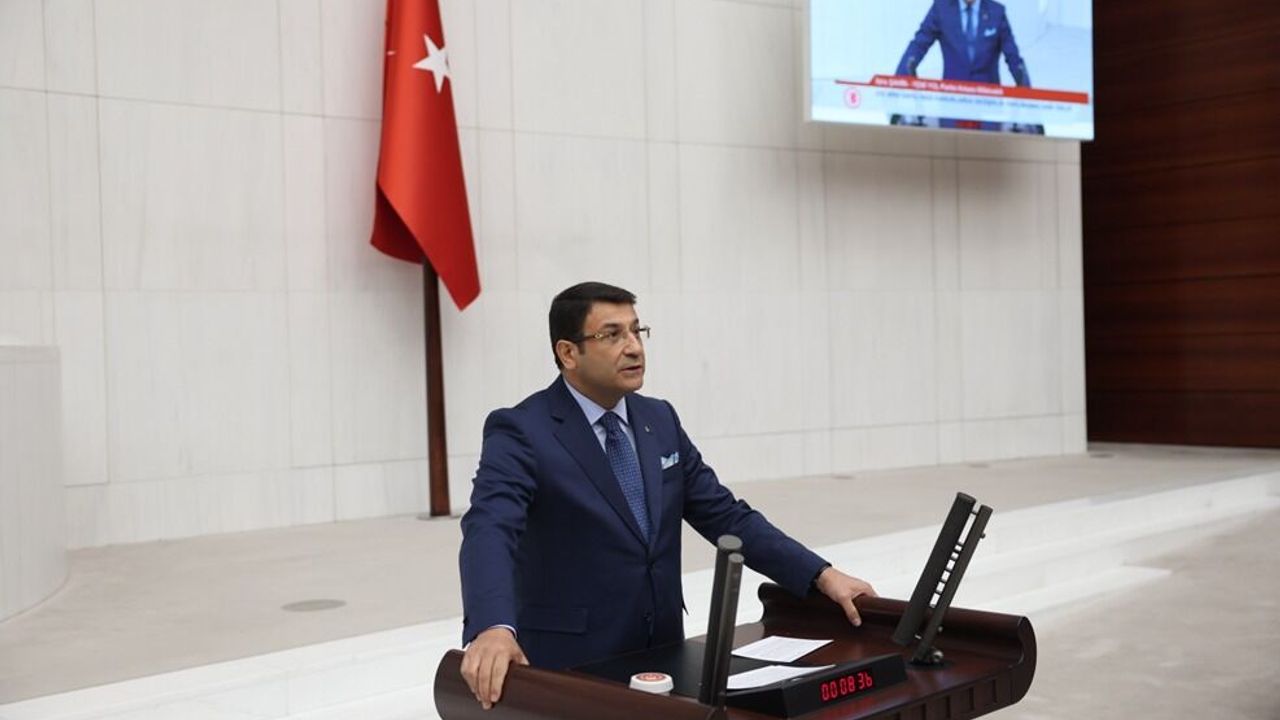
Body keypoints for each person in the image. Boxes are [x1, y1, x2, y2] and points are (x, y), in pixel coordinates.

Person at [458, 282, 877, 709]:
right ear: (568, 353)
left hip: (662, 658)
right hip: (572, 670)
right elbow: (489, 529)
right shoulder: (523, 430)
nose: (634, 347)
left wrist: (820, 574)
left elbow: (726, 516)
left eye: (637, 330)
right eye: (612, 334)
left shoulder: (658, 419)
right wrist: (492, 627)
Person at [892, 0, 1042, 133]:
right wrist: (897, 86)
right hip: (951, 104)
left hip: (988, 105)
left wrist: (1031, 105)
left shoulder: (996, 11)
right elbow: (918, 46)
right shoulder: (941, 8)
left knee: (988, 154)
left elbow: (1013, 58)